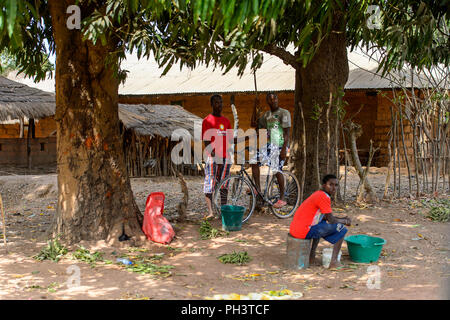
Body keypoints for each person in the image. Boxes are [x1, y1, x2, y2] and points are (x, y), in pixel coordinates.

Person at [289, 174, 352, 269]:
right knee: (341, 229)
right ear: (324, 185)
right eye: (330, 185)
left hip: (297, 229)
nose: (334, 188)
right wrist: (345, 221)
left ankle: (311, 256)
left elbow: (325, 217)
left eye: (336, 185)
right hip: (304, 231)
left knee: (321, 224)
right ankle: (334, 262)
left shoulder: (318, 194)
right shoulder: (324, 197)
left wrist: (341, 218)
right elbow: (331, 220)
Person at [250, 92, 291, 208]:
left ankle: (282, 198)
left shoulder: (284, 113)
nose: (273, 101)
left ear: (277, 99)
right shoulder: (267, 115)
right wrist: (255, 106)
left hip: (279, 145)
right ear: (267, 101)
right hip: (268, 145)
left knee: (275, 169)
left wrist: (284, 150)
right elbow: (254, 124)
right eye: (270, 100)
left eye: (275, 99)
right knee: (253, 160)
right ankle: (257, 189)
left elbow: (287, 133)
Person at [202, 94, 232, 219]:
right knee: (210, 183)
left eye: (220, 102)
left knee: (224, 184)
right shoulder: (207, 120)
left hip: (226, 157)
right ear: (212, 104)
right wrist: (214, 156)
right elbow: (206, 141)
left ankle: (223, 210)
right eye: (216, 102)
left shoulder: (226, 121)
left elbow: (230, 139)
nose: (219, 105)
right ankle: (210, 212)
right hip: (213, 157)